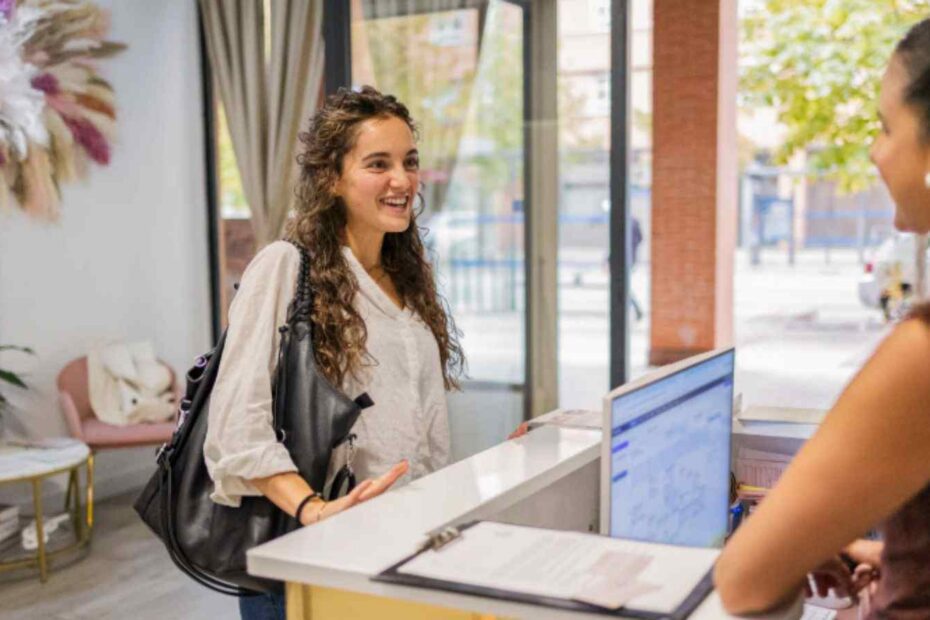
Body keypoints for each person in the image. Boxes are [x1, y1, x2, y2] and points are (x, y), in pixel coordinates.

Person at [203, 86, 465, 620]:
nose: (402, 180)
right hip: (310, 555)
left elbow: (418, 423)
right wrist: (314, 509)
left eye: (409, 162)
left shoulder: (408, 277)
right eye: (378, 163)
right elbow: (235, 424)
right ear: (332, 178)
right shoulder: (284, 267)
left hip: (398, 546)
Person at [715, 19, 930, 617]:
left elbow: (743, 580)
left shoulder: (923, 354)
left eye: (887, 128)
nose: (875, 151)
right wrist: (895, 557)